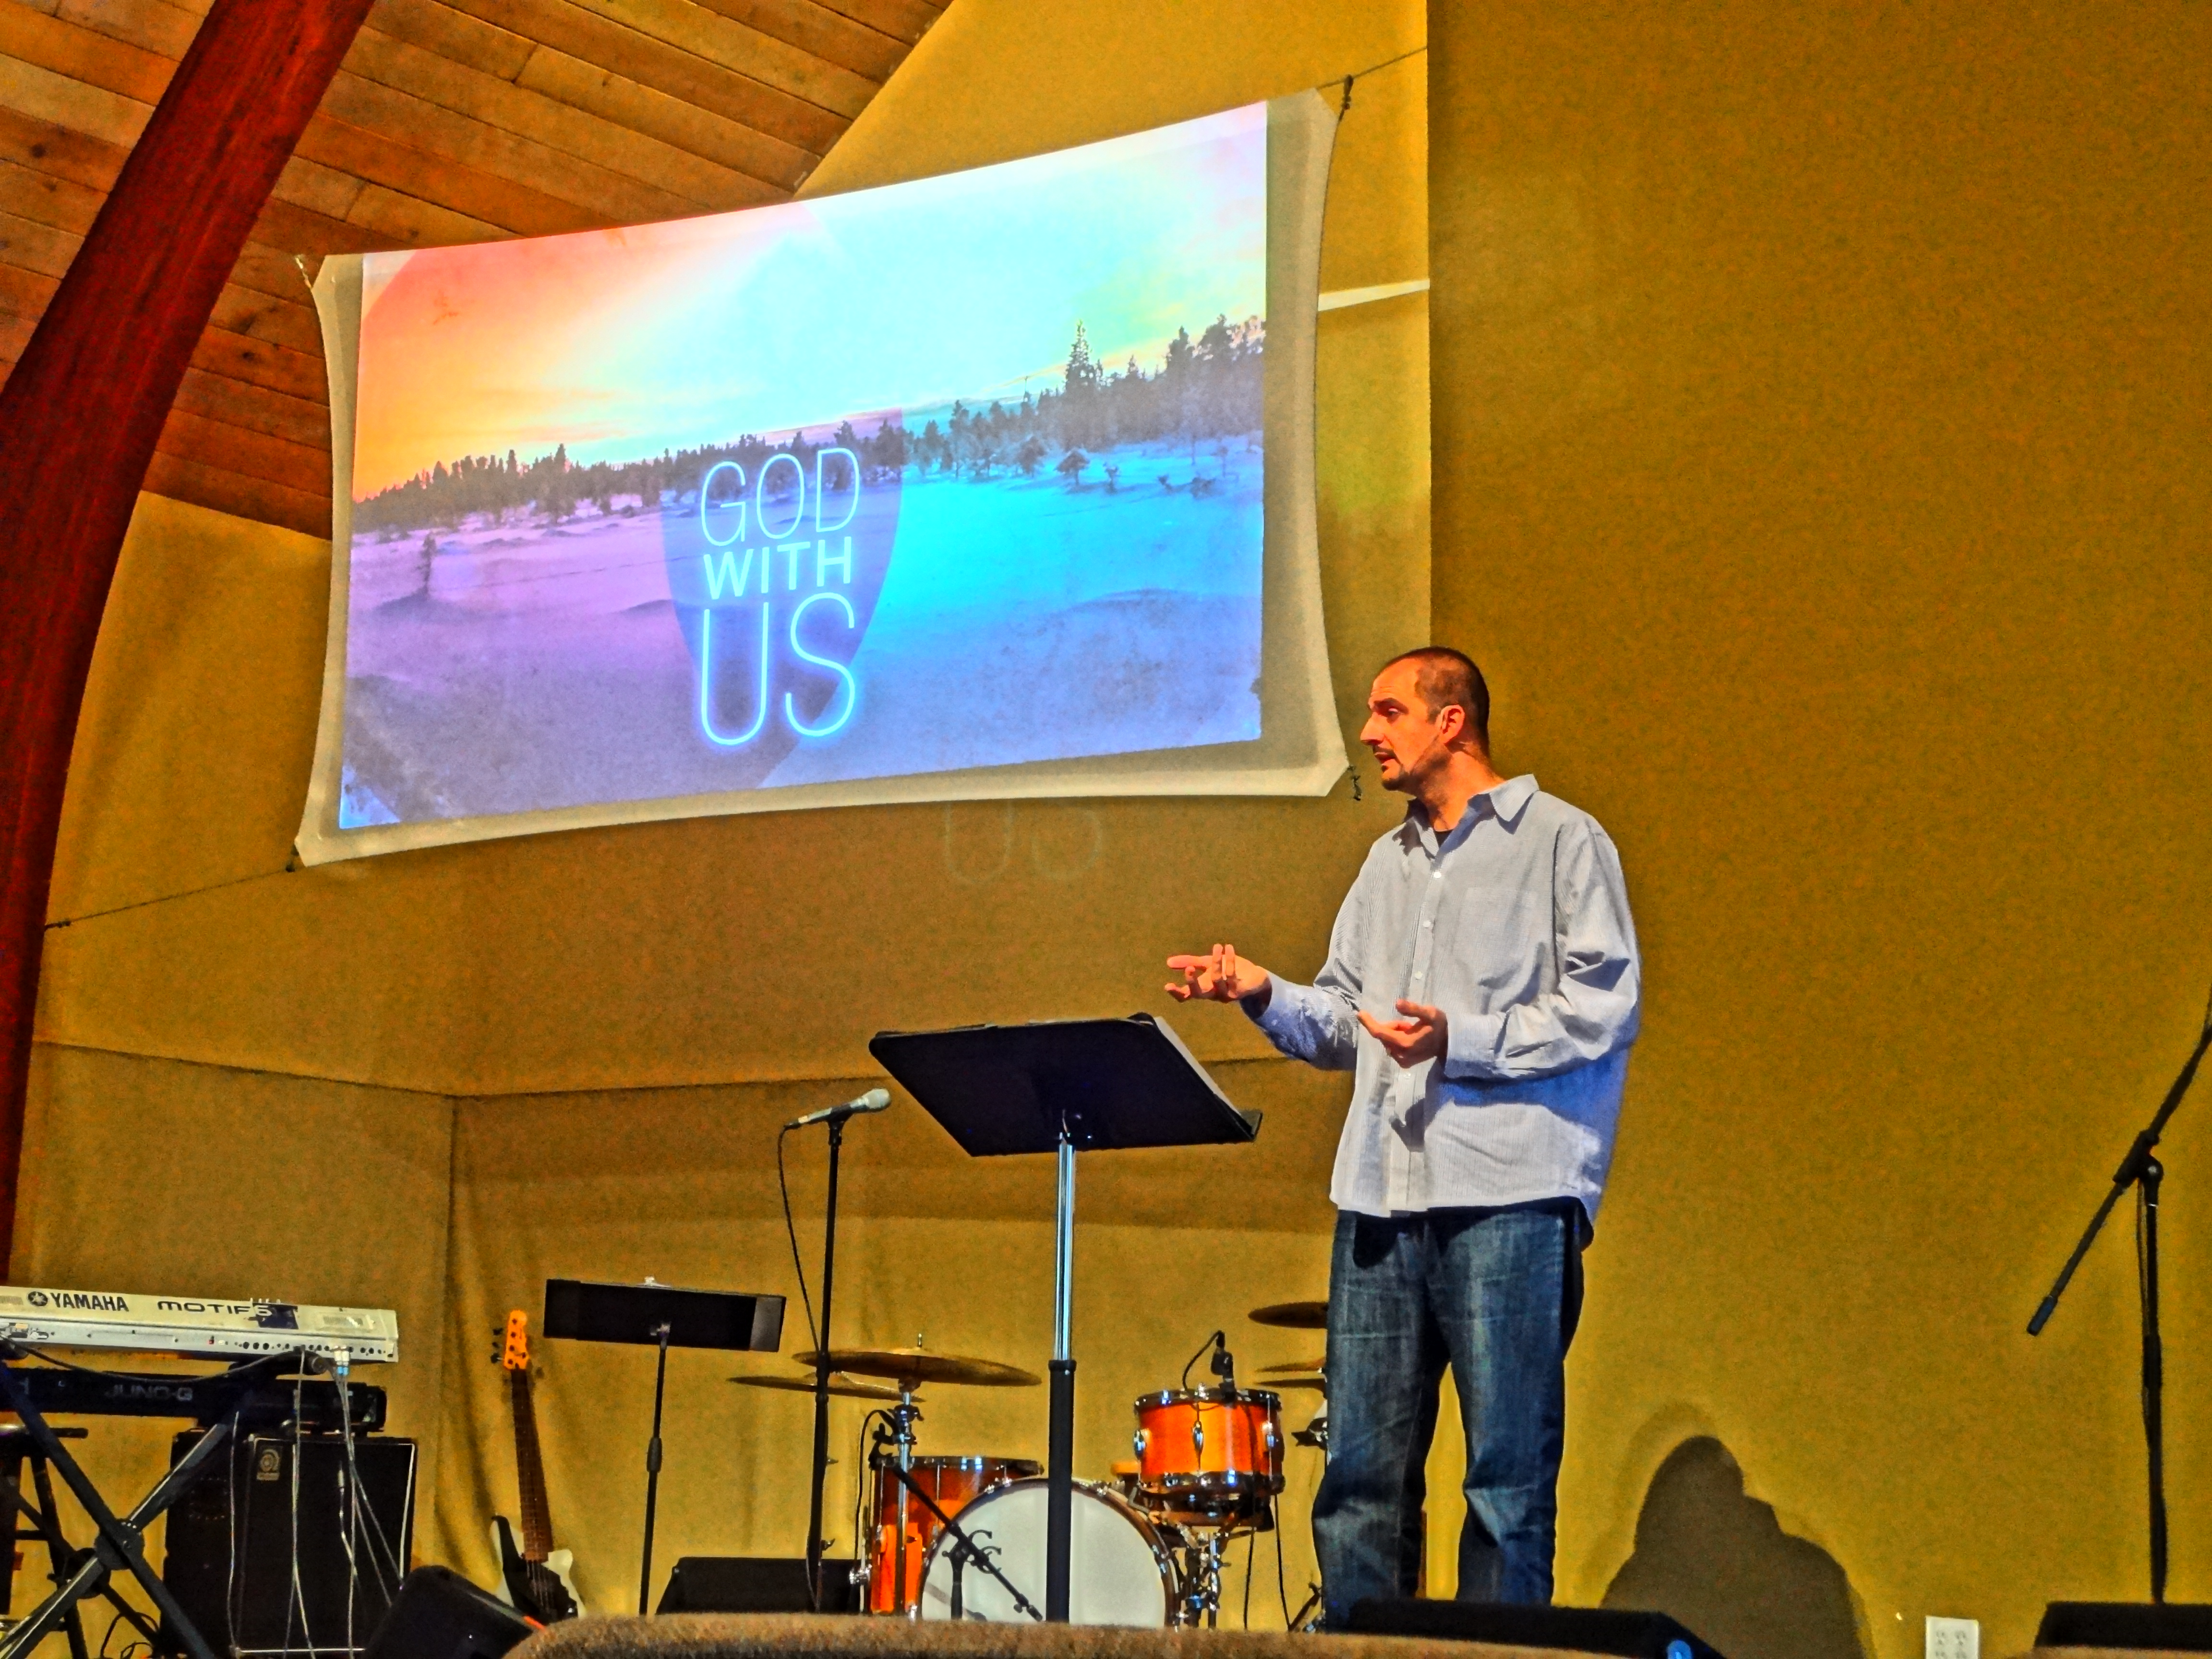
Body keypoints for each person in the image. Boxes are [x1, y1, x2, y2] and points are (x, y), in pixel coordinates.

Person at [1166, 646, 1640, 1617]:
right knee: (1358, 1487)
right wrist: (1261, 992)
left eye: (1388, 712)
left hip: (1510, 1196)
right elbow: (1347, 1022)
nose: (1368, 733)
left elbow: (1603, 1007)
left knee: (1506, 1484)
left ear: (1451, 720)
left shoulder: (1562, 840)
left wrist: (1461, 1039)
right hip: (1381, 1201)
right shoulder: (1388, 864)